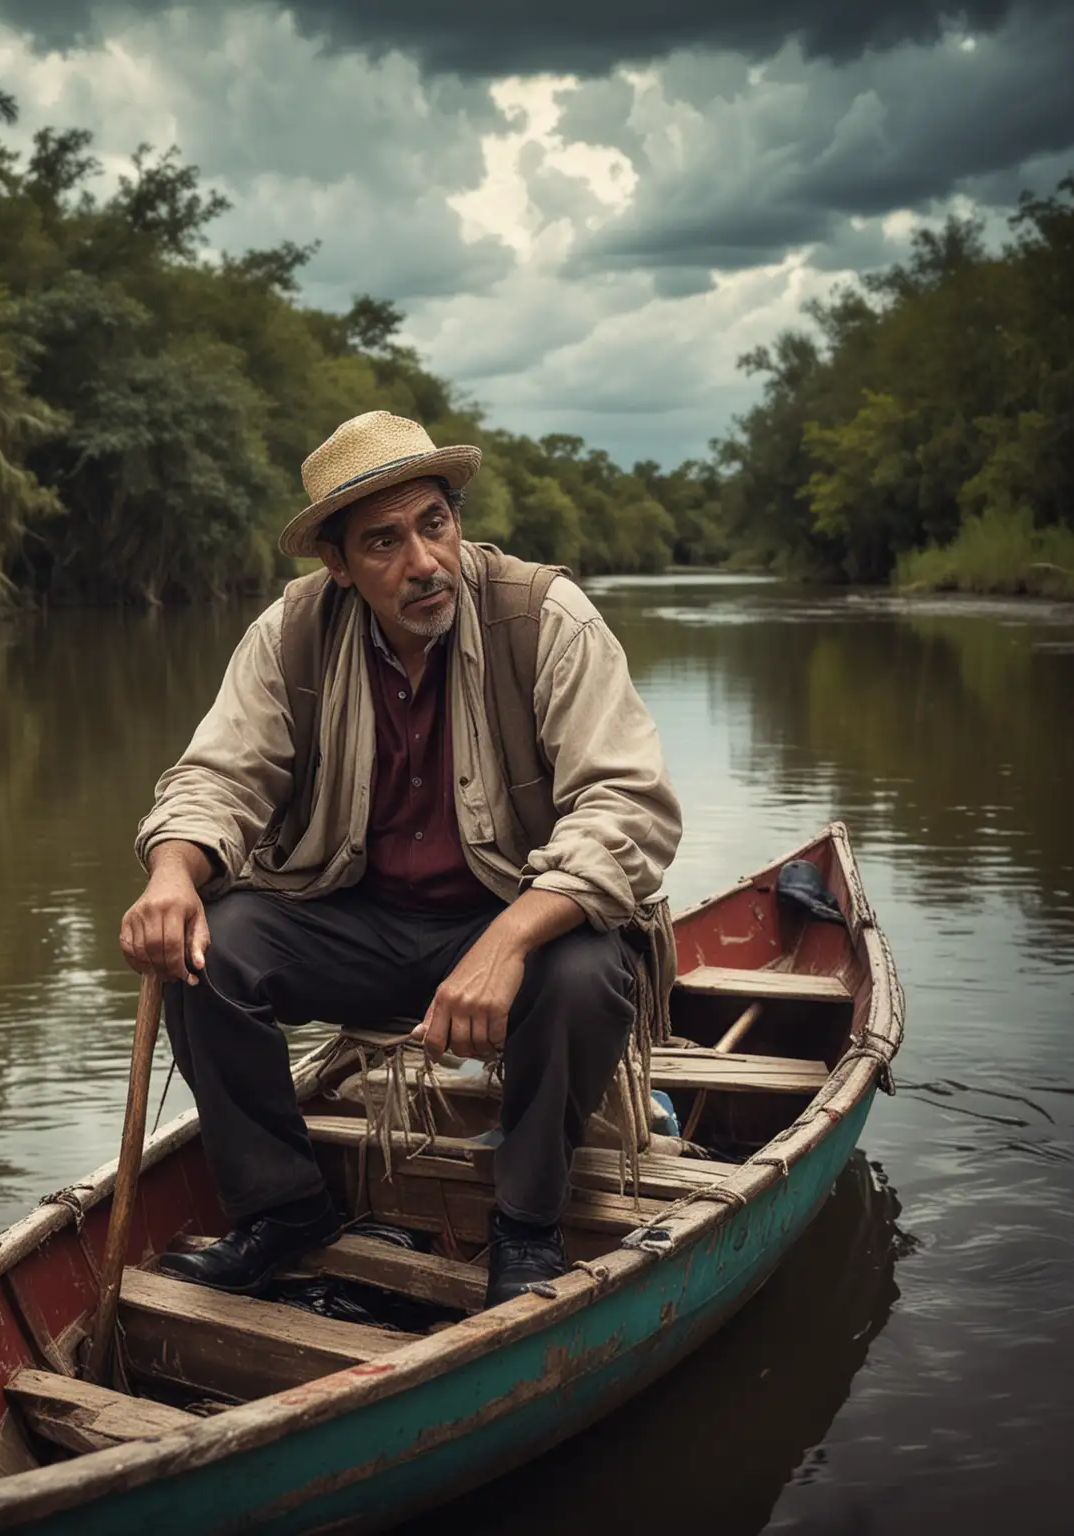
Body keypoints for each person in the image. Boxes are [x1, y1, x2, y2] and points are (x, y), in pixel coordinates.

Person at [120, 410, 682, 1307]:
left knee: (586, 975)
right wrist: (171, 874)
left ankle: (527, 1226)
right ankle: (284, 1210)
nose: (422, 562)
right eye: (383, 542)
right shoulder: (294, 632)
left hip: (515, 919)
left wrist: (504, 944)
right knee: (209, 950)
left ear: (458, 520)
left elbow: (628, 807)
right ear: (337, 566)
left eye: (434, 524)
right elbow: (218, 776)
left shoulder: (543, 615)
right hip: (363, 924)